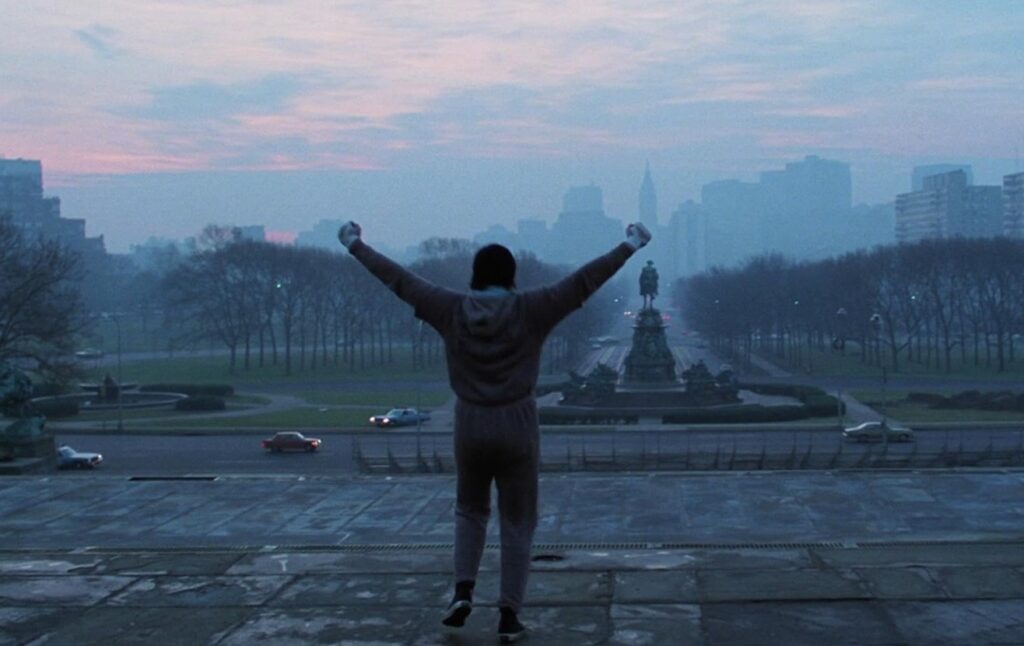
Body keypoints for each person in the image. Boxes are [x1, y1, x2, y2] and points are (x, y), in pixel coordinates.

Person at [338, 220, 651, 643]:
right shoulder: (532, 308)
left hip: (470, 423)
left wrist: (355, 244)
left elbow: (399, 280)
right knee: (518, 521)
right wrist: (630, 244)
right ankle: (509, 615)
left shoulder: (450, 308)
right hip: (517, 423)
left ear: (475, 275)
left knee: (470, 510)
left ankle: (463, 591)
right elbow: (584, 281)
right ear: (511, 277)